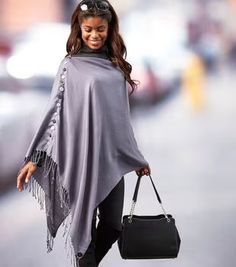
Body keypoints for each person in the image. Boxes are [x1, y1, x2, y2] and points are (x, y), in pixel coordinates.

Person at [16, 0, 151, 266]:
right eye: (88, 29)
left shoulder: (116, 65)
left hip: (111, 163)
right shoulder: (70, 66)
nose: (94, 35)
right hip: (80, 163)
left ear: (109, 28)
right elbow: (53, 112)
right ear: (79, 29)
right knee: (85, 234)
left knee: (113, 226)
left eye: (100, 29)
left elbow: (122, 120)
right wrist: (35, 158)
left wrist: (136, 158)